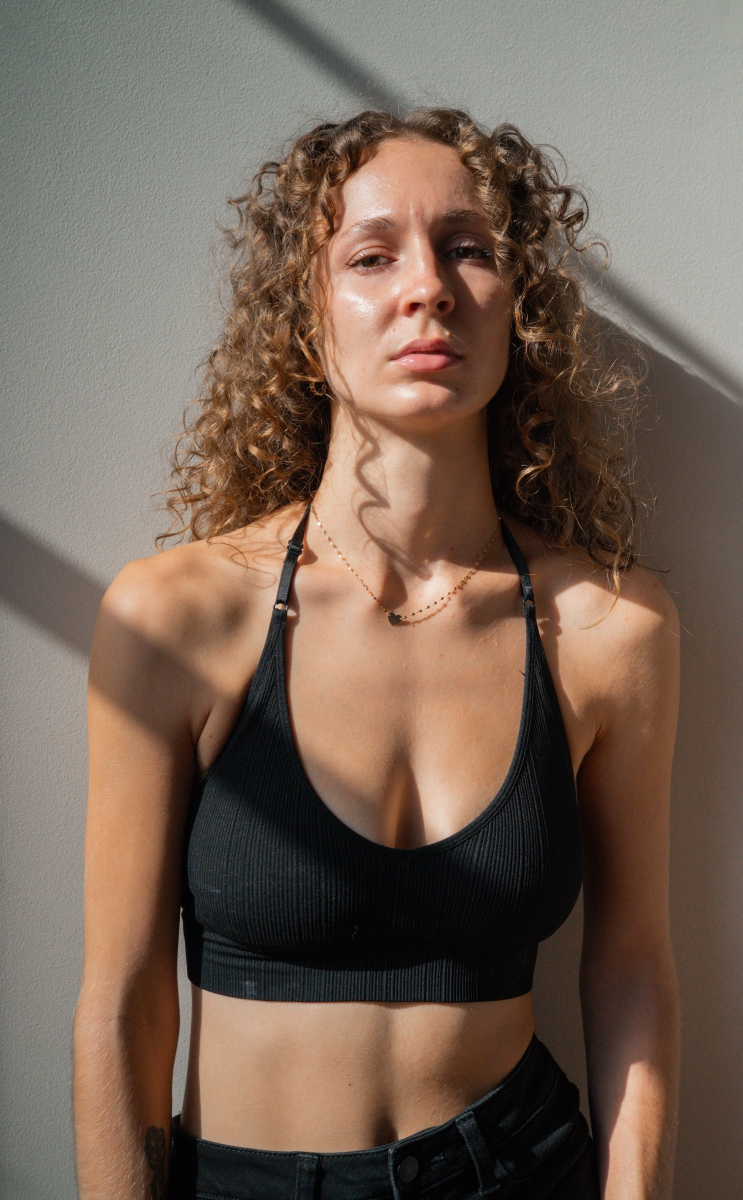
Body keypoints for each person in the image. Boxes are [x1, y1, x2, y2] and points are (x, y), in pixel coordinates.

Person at [73, 109, 680, 1200]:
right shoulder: (175, 619)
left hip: (519, 1167)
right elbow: (123, 1006)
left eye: (469, 248)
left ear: (521, 309)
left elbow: (632, 966)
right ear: (306, 318)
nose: (428, 289)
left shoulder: (610, 628)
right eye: (371, 256)